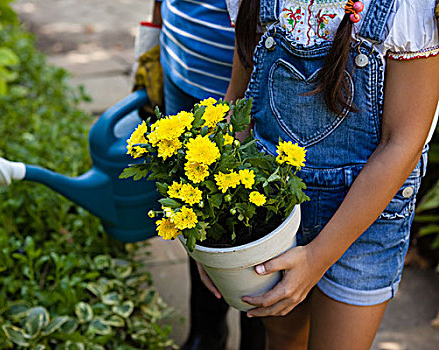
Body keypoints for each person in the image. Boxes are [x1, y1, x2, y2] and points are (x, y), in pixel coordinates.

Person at [197, 0, 439, 349]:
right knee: (283, 337)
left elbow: (401, 142)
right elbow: (239, 104)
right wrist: (218, 239)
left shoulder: (406, 8)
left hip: (367, 215)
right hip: (273, 209)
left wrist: (316, 258)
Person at [137, 1, 266, 349]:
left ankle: (257, 337)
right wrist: (153, 35)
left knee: (255, 221)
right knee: (197, 211)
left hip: (249, 76)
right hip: (179, 62)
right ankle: (207, 332)